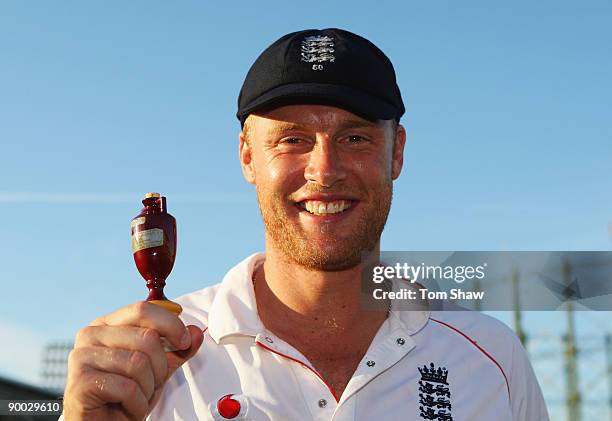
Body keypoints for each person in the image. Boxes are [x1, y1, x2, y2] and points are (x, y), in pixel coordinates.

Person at [62, 28, 549, 421]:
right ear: (248, 157)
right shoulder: (154, 363)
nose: (325, 169)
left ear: (396, 152)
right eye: (293, 140)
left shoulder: (489, 356)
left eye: (355, 137)